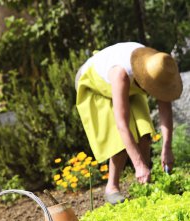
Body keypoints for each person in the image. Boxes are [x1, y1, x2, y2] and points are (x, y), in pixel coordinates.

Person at [75, 42, 183, 205]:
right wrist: (138, 165)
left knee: (144, 132)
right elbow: (122, 126)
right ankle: (112, 187)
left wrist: (167, 149)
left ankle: (144, 184)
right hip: (93, 84)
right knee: (120, 141)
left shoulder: (157, 68)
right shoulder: (121, 74)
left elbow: (165, 112)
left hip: (130, 83)